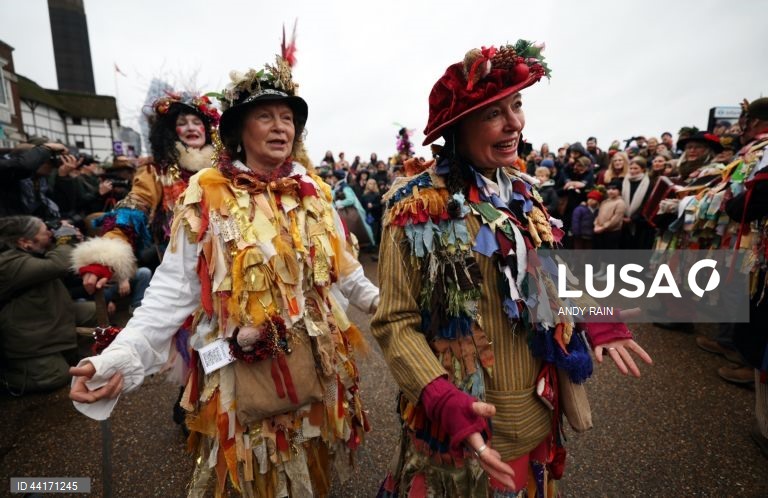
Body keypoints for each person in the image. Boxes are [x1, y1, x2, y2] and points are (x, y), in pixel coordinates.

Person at [69, 39, 379, 496]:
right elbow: (170, 293)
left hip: (318, 366)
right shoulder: (206, 194)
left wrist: (383, 304)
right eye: (266, 116)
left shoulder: (313, 190)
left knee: (311, 469)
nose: (280, 128)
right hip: (236, 364)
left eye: (288, 118)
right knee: (254, 470)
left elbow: (345, 269)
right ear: (238, 131)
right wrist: (121, 359)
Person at [372, 40, 651, 497]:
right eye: (492, 113)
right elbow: (394, 322)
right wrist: (439, 396)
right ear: (457, 128)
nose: (515, 124)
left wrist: (597, 318)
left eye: (517, 105)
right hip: (465, 420)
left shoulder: (524, 188)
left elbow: (551, 275)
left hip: (535, 407)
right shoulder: (415, 205)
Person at [0, 215, 94, 394]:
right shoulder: (7, 263)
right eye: (46, 232)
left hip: (45, 315)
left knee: (93, 312)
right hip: (26, 331)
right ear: (25, 241)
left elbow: (63, 256)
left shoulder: (30, 249)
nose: (51, 233)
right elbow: (58, 264)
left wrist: (74, 239)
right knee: (57, 377)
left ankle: (64, 352)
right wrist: (67, 239)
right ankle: (8, 376)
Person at [621, 157, 654, 249]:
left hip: (640, 222)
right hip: (624, 220)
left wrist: (633, 218)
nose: (632, 171)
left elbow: (646, 203)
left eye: (636, 168)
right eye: (631, 168)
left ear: (643, 169)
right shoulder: (625, 181)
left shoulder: (649, 183)